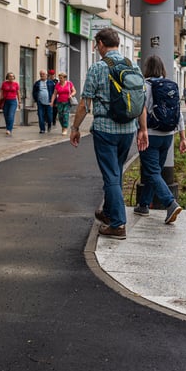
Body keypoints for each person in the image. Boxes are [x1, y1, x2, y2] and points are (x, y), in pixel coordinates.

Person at [70, 28, 148, 240]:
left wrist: (75, 128)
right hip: (128, 130)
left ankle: (118, 224)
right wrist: (143, 129)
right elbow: (141, 103)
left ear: (102, 44)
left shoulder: (97, 68)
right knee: (116, 173)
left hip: (105, 130)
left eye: (97, 45)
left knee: (111, 175)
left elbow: (85, 104)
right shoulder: (133, 67)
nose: (96, 49)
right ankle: (108, 213)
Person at [134, 55, 186, 224]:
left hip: (151, 134)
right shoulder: (171, 86)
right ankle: (143, 205)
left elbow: (141, 109)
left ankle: (170, 203)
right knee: (154, 171)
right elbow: (179, 113)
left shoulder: (146, 85)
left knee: (152, 171)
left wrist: (142, 130)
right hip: (168, 136)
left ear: (147, 68)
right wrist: (183, 137)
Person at [0, 71, 20, 136]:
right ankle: (8, 127)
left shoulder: (16, 84)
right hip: (5, 101)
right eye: (10, 76)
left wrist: (19, 102)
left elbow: (18, 93)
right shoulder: (4, 84)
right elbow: (1, 92)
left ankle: (9, 129)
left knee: (11, 115)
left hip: (13, 101)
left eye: (12, 76)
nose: (11, 77)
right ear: (7, 77)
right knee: (6, 116)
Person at [32, 70, 55, 134]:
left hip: (49, 102)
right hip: (40, 102)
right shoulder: (37, 83)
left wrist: (53, 102)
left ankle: (49, 125)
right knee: (40, 115)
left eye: (43, 74)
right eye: (41, 74)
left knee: (49, 116)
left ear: (46, 75)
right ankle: (42, 129)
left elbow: (54, 93)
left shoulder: (51, 83)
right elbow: (34, 92)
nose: (42, 75)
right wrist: (36, 99)